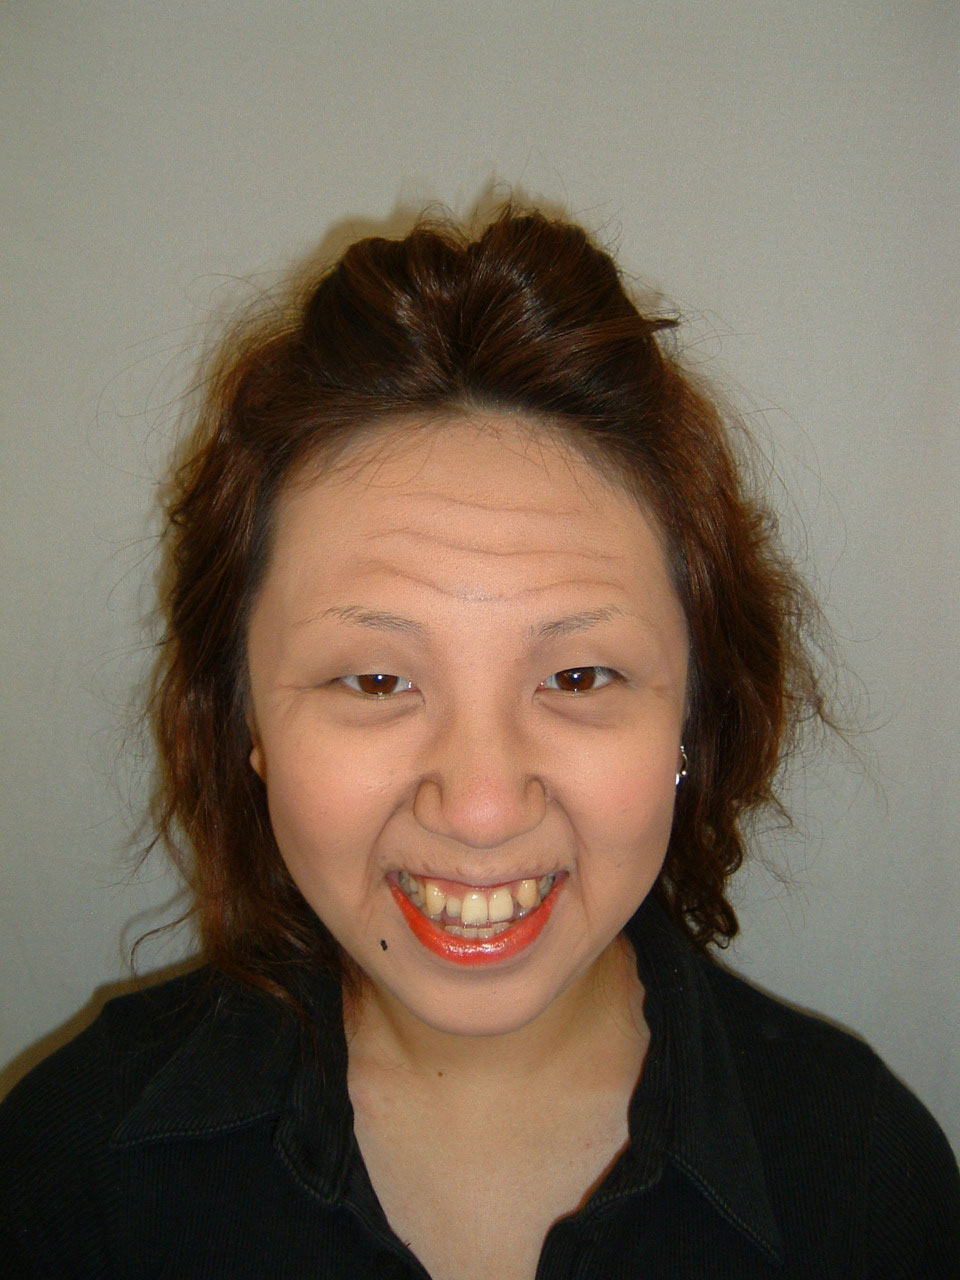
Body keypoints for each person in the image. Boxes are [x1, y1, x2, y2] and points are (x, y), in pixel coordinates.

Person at [1, 208, 957, 1279]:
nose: (483, 805)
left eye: (579, 677)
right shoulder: (67, 1175)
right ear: (247, 724)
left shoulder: (865, 1181)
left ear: (693, 716)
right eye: (376, 680)